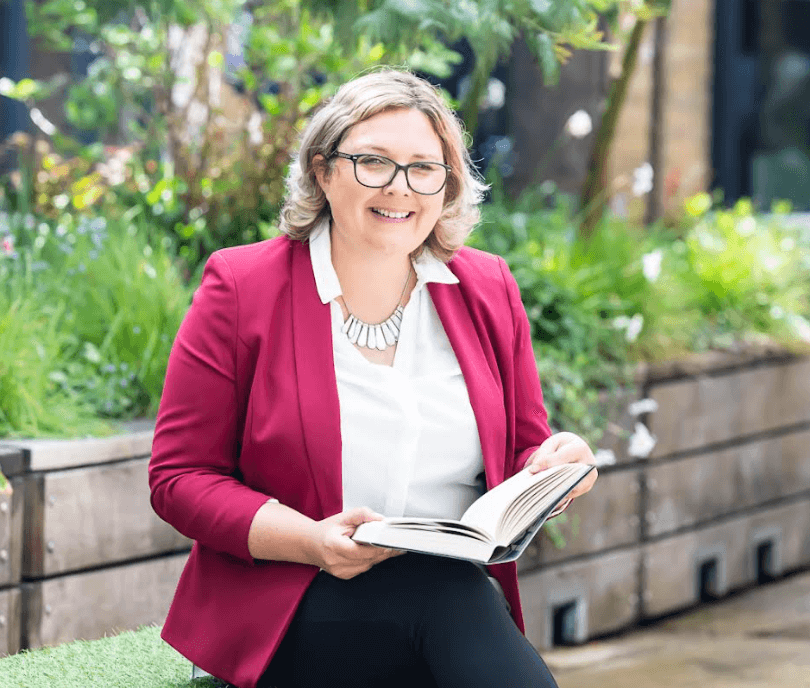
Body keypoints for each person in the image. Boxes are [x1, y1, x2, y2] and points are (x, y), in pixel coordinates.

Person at [148, 68, 598, 688]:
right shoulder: (242, 287)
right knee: (449, 599)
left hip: (453, 599)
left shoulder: (488, 287)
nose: (401, 187)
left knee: (446, 591)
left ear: (447, 185)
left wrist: (558, 467)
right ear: (323, 170)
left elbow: (524, 448)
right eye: (373, 163)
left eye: (423, 168)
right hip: (296, 597)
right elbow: (180, 479)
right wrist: (311, 540)